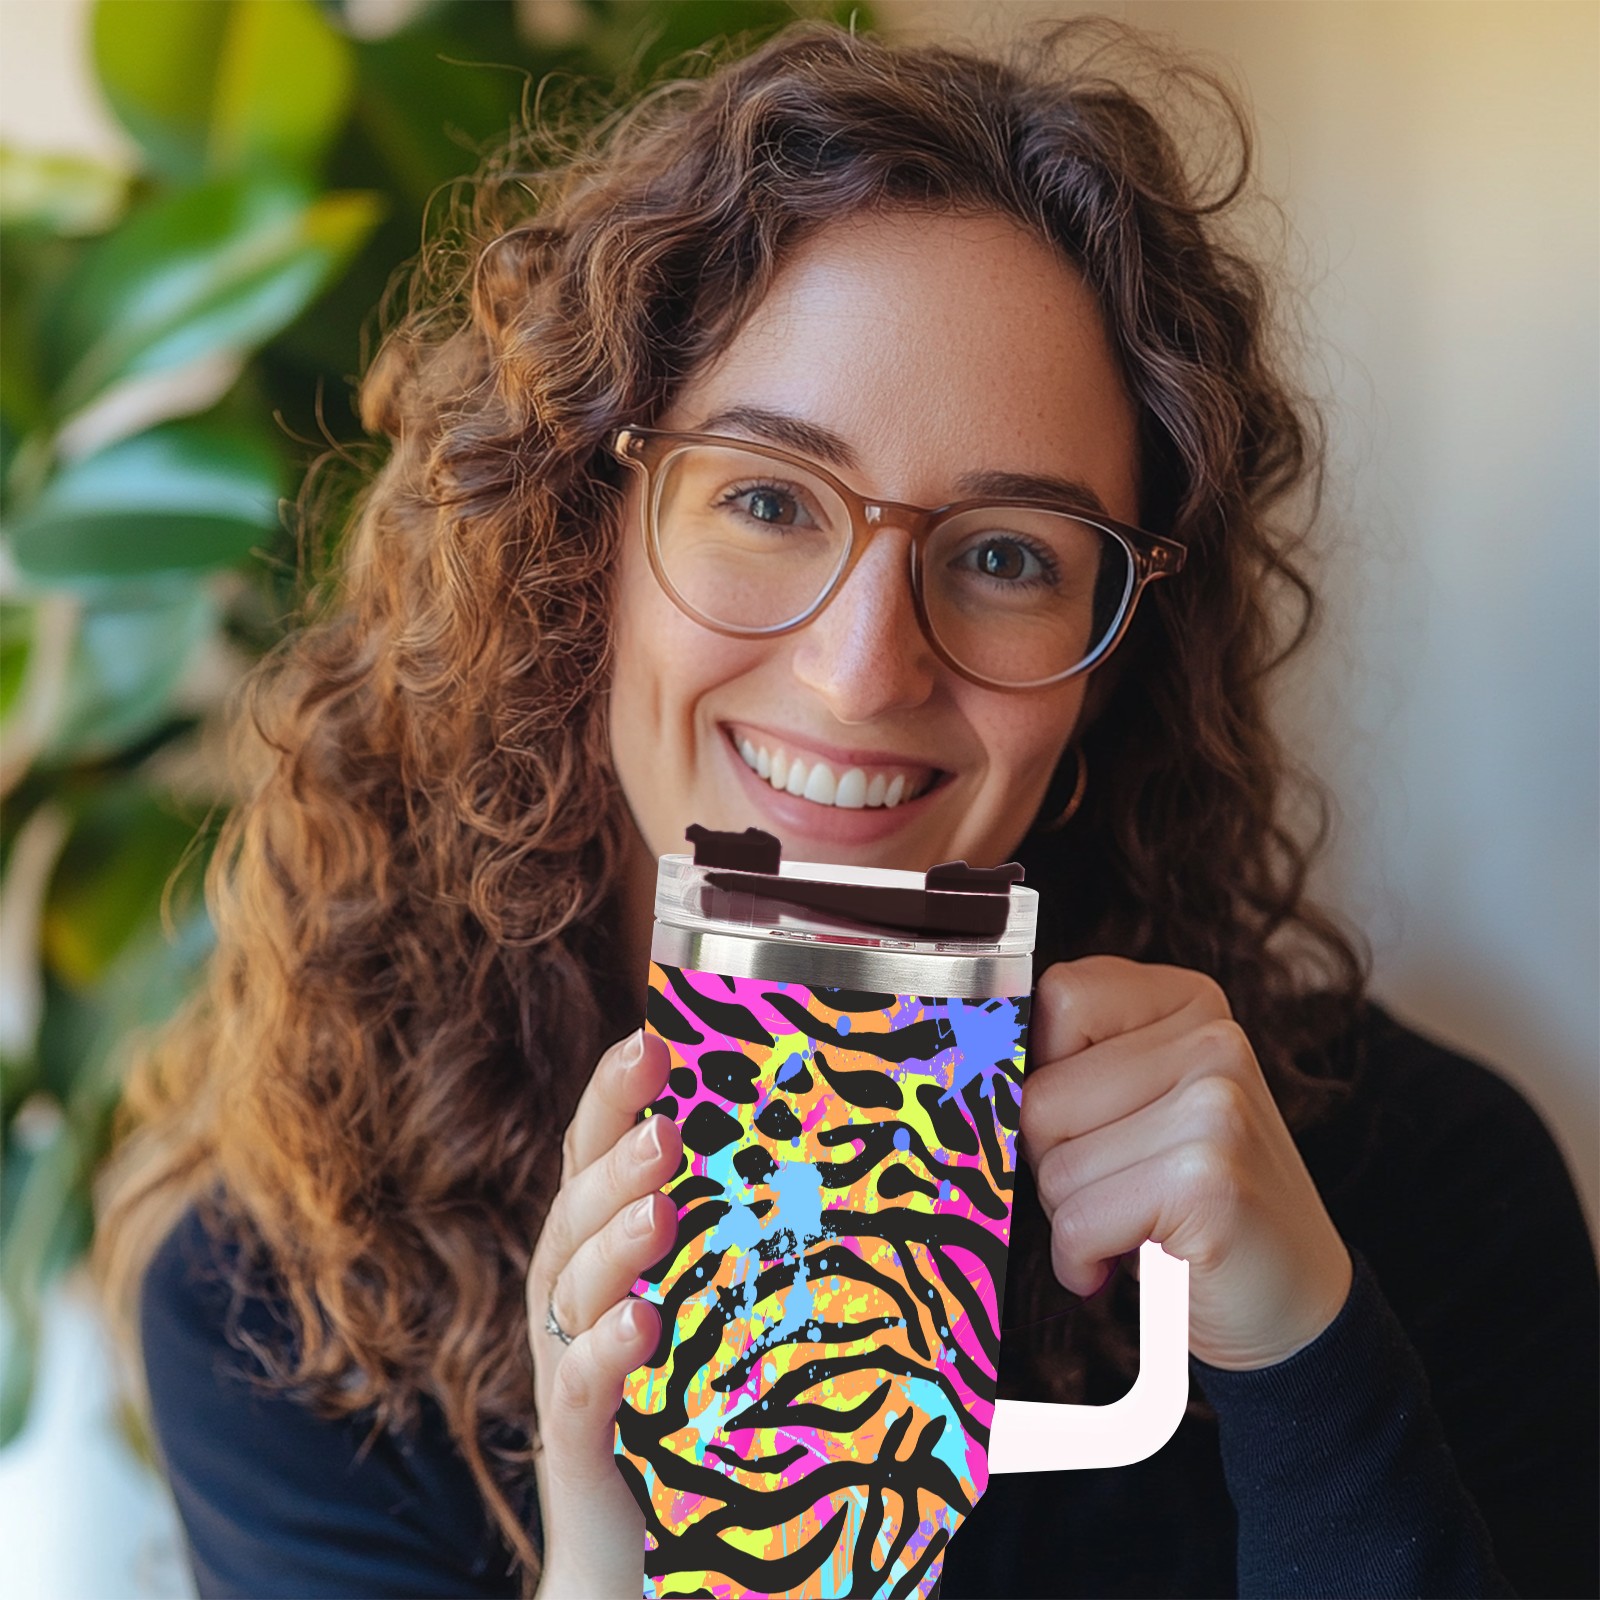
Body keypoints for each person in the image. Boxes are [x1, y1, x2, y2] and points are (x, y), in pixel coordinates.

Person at [95, 17, 1597, 1600]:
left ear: (1112, 663)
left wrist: (1305, 1367)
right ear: (580, 548)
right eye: (765, 499)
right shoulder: (292, 1301)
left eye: (1007, 554)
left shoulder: (1419, 1193)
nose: (864, 671)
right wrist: (608, 1559)